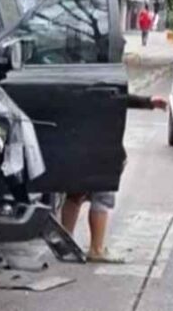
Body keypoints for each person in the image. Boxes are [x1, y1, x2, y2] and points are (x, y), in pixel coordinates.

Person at [61, 93, 167, 263]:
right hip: (102, 147)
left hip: (75, 140)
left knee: (75, 194)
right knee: (102, 195)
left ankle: (65, 246)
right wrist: (147, 102)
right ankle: (96, 249)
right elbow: (116, 94)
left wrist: (147, 102)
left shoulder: (74, 82)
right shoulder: (104, 83)